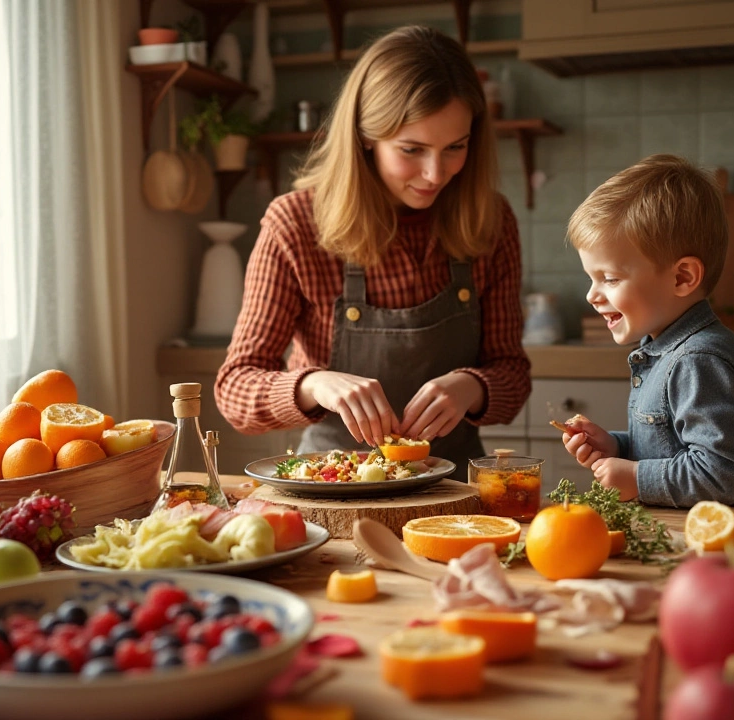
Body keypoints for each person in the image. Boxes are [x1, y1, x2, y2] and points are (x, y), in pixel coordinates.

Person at [215, 26, 530, 479]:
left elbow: (512, 375)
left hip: (455, 491)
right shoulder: (295, 223)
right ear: (366, 137)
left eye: (454, 148)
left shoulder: (491, 221)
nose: (435, 173)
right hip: (331, 485)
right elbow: (234, 390)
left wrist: (471, 388)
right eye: (412, 149)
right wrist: (313, 384)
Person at [560, 154, 734, 508]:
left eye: (610, 278)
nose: (591, 295)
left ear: (682, 278)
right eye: (591, 278)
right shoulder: (661, 346)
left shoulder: (697, 361)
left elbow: (726, 473)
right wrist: (617, 447)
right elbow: (672, 447)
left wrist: (636, 478)